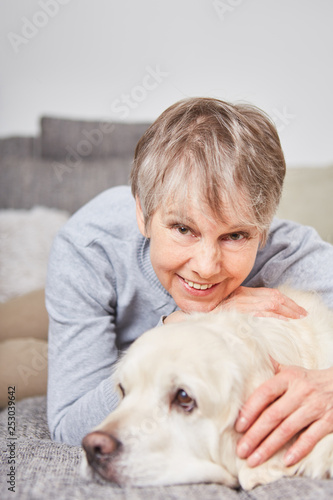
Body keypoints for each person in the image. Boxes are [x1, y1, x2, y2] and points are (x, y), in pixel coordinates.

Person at [46, 97, 333, 469]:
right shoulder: (87, 247)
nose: (206, 267)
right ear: (143, 214)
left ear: (263, 231)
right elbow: (69, 425)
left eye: (235, 236)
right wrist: (184, 323)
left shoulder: (290, 257)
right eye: (183, 229)